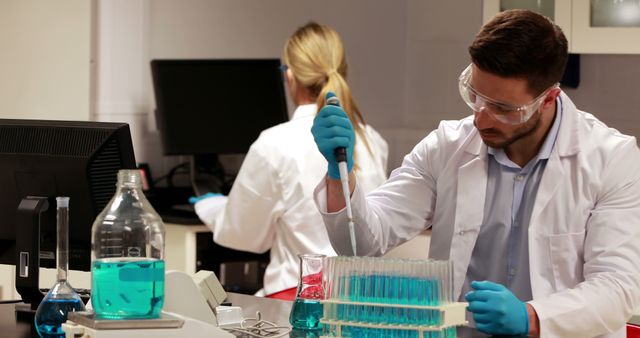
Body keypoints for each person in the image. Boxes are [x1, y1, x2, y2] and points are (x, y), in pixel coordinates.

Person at [311, 9, 640, 338]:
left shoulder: (611, 159)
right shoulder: (447, 147)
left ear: (548, 98)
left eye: (503, 109)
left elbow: (619, 286)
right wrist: (340, 175)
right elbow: (360, 245)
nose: (481, 120)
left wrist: (532, 316)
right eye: (476, 97)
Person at [193, 22, 388, 299]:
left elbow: (243, 235)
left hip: (299, 299)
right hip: (365, 298)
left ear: (290, 76)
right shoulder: (373, 141)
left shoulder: (274, 143)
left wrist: (211, 206)